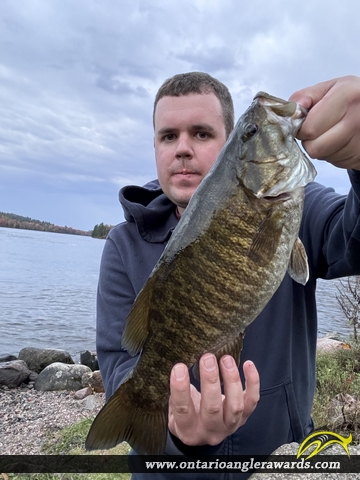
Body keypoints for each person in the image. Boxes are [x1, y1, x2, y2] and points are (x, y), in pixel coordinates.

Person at [96, 72, 360, 478]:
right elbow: (120, 366)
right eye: (168, 136)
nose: (182, 149)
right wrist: (175, 433)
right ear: (154, 146)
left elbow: (353, 241)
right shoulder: (122, 244)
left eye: (201, 134)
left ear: (228, 143)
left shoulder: (294, 206)